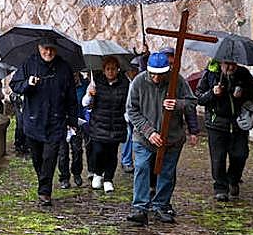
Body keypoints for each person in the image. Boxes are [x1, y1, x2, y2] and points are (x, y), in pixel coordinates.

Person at [125, 51, 199, 225]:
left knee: (167, 172)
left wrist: (178, 104)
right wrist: (149, 132)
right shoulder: (138, 82)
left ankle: (161, 205)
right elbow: (132, 110)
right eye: (153, 74)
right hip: (144, 138)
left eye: (160, 74)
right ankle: (140, 207)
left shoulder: (177, 81)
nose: (157, 78)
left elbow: (192, 102)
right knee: (142, 167)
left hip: (172, 138)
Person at [9, 37, 79, 207]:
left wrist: (72, 120)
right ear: (39, 47)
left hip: (56, 121)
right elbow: (15, 84)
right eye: (45, 49)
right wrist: (28, 83)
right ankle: (43, 181)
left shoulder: (64, 68)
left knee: (50, 157)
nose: (48, 53)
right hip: (33, 120)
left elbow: (71, 97)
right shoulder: (29, 64)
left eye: (52, 49)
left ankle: (44, 192)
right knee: (37, 158)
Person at [196, 57, 253, 201]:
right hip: (216, 123)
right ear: (220, 63)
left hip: (238, 122)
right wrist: (213, 93)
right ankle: (220, 187)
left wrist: (243, 93)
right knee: (218, 158)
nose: (231, 67)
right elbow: (199, 97)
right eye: (227, 64)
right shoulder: (210, 74)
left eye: (234, 64)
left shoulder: (243, 73)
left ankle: (233, 179)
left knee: (241, 154)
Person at [83, 56, 130, 193]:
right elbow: (85, 103)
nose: (110, 72)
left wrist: (126, 117)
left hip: (116, 124)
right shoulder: (96, 83)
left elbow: (128, 103)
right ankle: (98, 174)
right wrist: (90, 94)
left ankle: (108, 178)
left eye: (113, 69)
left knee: (112, 153)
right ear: (103, 70)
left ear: (117, 70)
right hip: (99, 124)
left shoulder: (124, 84)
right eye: (108, 69)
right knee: (98, 151)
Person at [57, 69, 87, 189]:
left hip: (77, 123)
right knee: (63, 152)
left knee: (77, 150)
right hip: (62, 123)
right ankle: (64, 177)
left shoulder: (84, 84)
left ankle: (77, 173)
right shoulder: (61, 85)